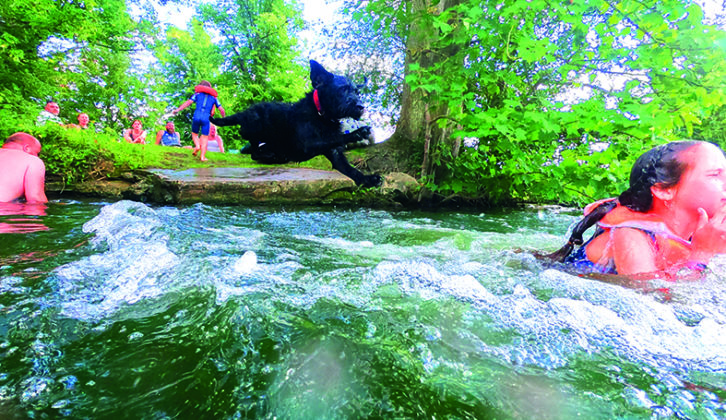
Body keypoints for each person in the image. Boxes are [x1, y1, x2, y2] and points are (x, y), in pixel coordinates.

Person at [549, 141, 726, 277]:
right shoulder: (631, 234)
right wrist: (702, 254)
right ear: (663, 190)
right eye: (715, 175)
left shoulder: (704, 235)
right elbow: (652, 300)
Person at [172, 80, 226, 161]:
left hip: (197, 116)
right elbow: (221, 110)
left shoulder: (197, 94)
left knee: (194, 134)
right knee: (204, 137)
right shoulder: (214, 98)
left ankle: (197, 146)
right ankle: (202, 157)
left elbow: (188, 103)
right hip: (206, 118)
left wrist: (178, 110)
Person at [0, 132, 48, 203]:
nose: (37, 156)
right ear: (27, 148)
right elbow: (35, 199)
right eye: (37, 153)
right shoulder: (32, 160)